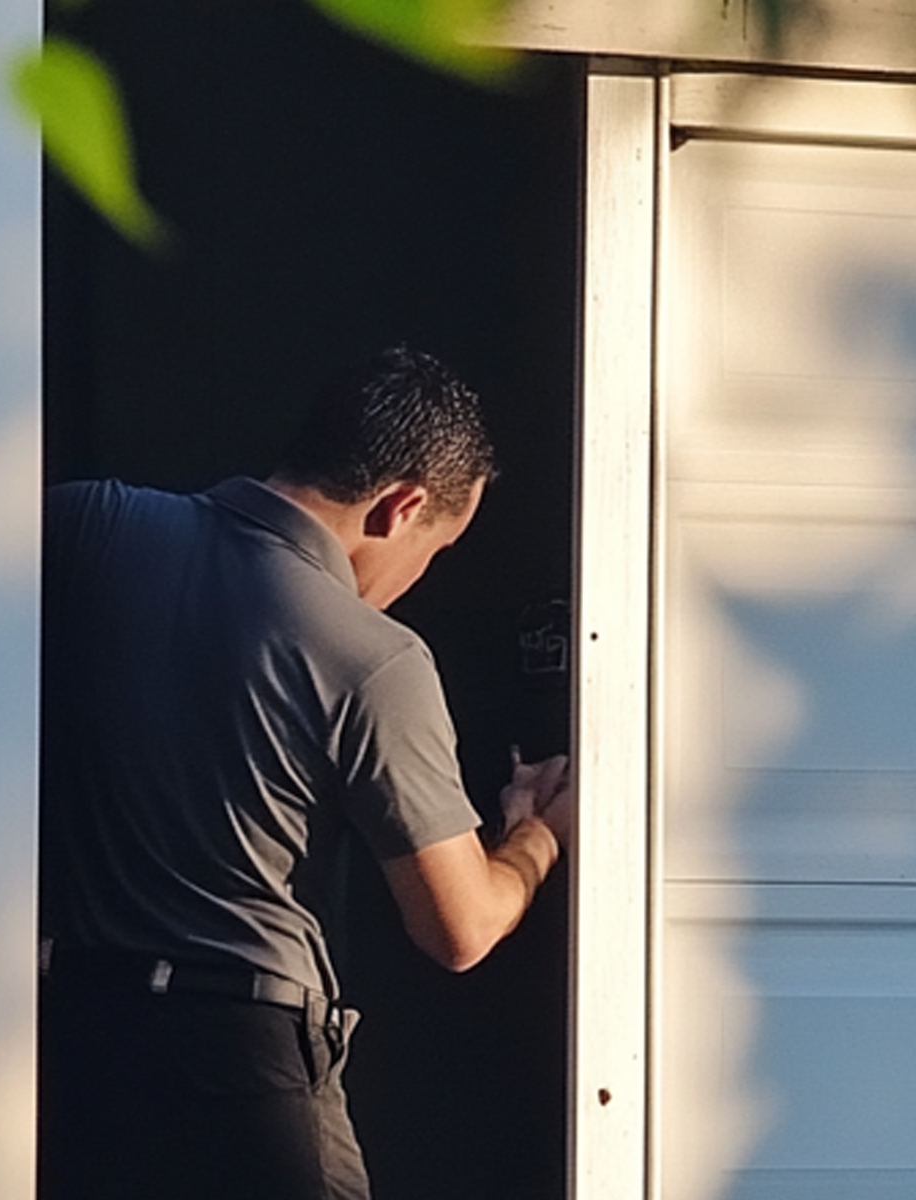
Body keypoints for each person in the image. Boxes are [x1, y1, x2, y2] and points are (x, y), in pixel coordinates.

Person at [37, 346, 576, 1200]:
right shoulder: (374, 657)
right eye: (437, 549)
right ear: (400, 507)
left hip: (73, 1046)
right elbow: (460, 927)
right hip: (243, 1065)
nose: (417, 581)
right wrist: (536, 836)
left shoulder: (85, 527)